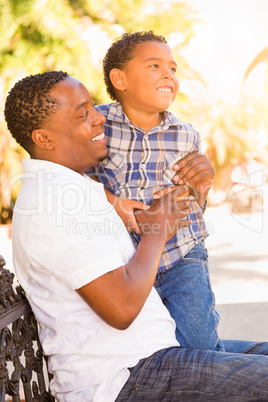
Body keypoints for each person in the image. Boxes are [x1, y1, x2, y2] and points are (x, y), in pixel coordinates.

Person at [5, 71, 268, 402]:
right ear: (44, 138)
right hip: (124, 379)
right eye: (83, 113)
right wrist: (157, 229)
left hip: (151, 356)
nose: (100, 117)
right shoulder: (52, 203)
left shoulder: (68, 189)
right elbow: (120, 308)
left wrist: (191, 195)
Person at [87, 31, 222, 350]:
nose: (168, 75)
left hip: (182, 254)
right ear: (119, 78)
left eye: (173, 69)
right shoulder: (98, 124)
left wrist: (196, 196)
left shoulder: (186, 135)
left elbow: (191, 198)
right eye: (154, 65)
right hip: (125, 261)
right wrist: (111, 200)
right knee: (150, 345)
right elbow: (76, 177)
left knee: (197, 341)